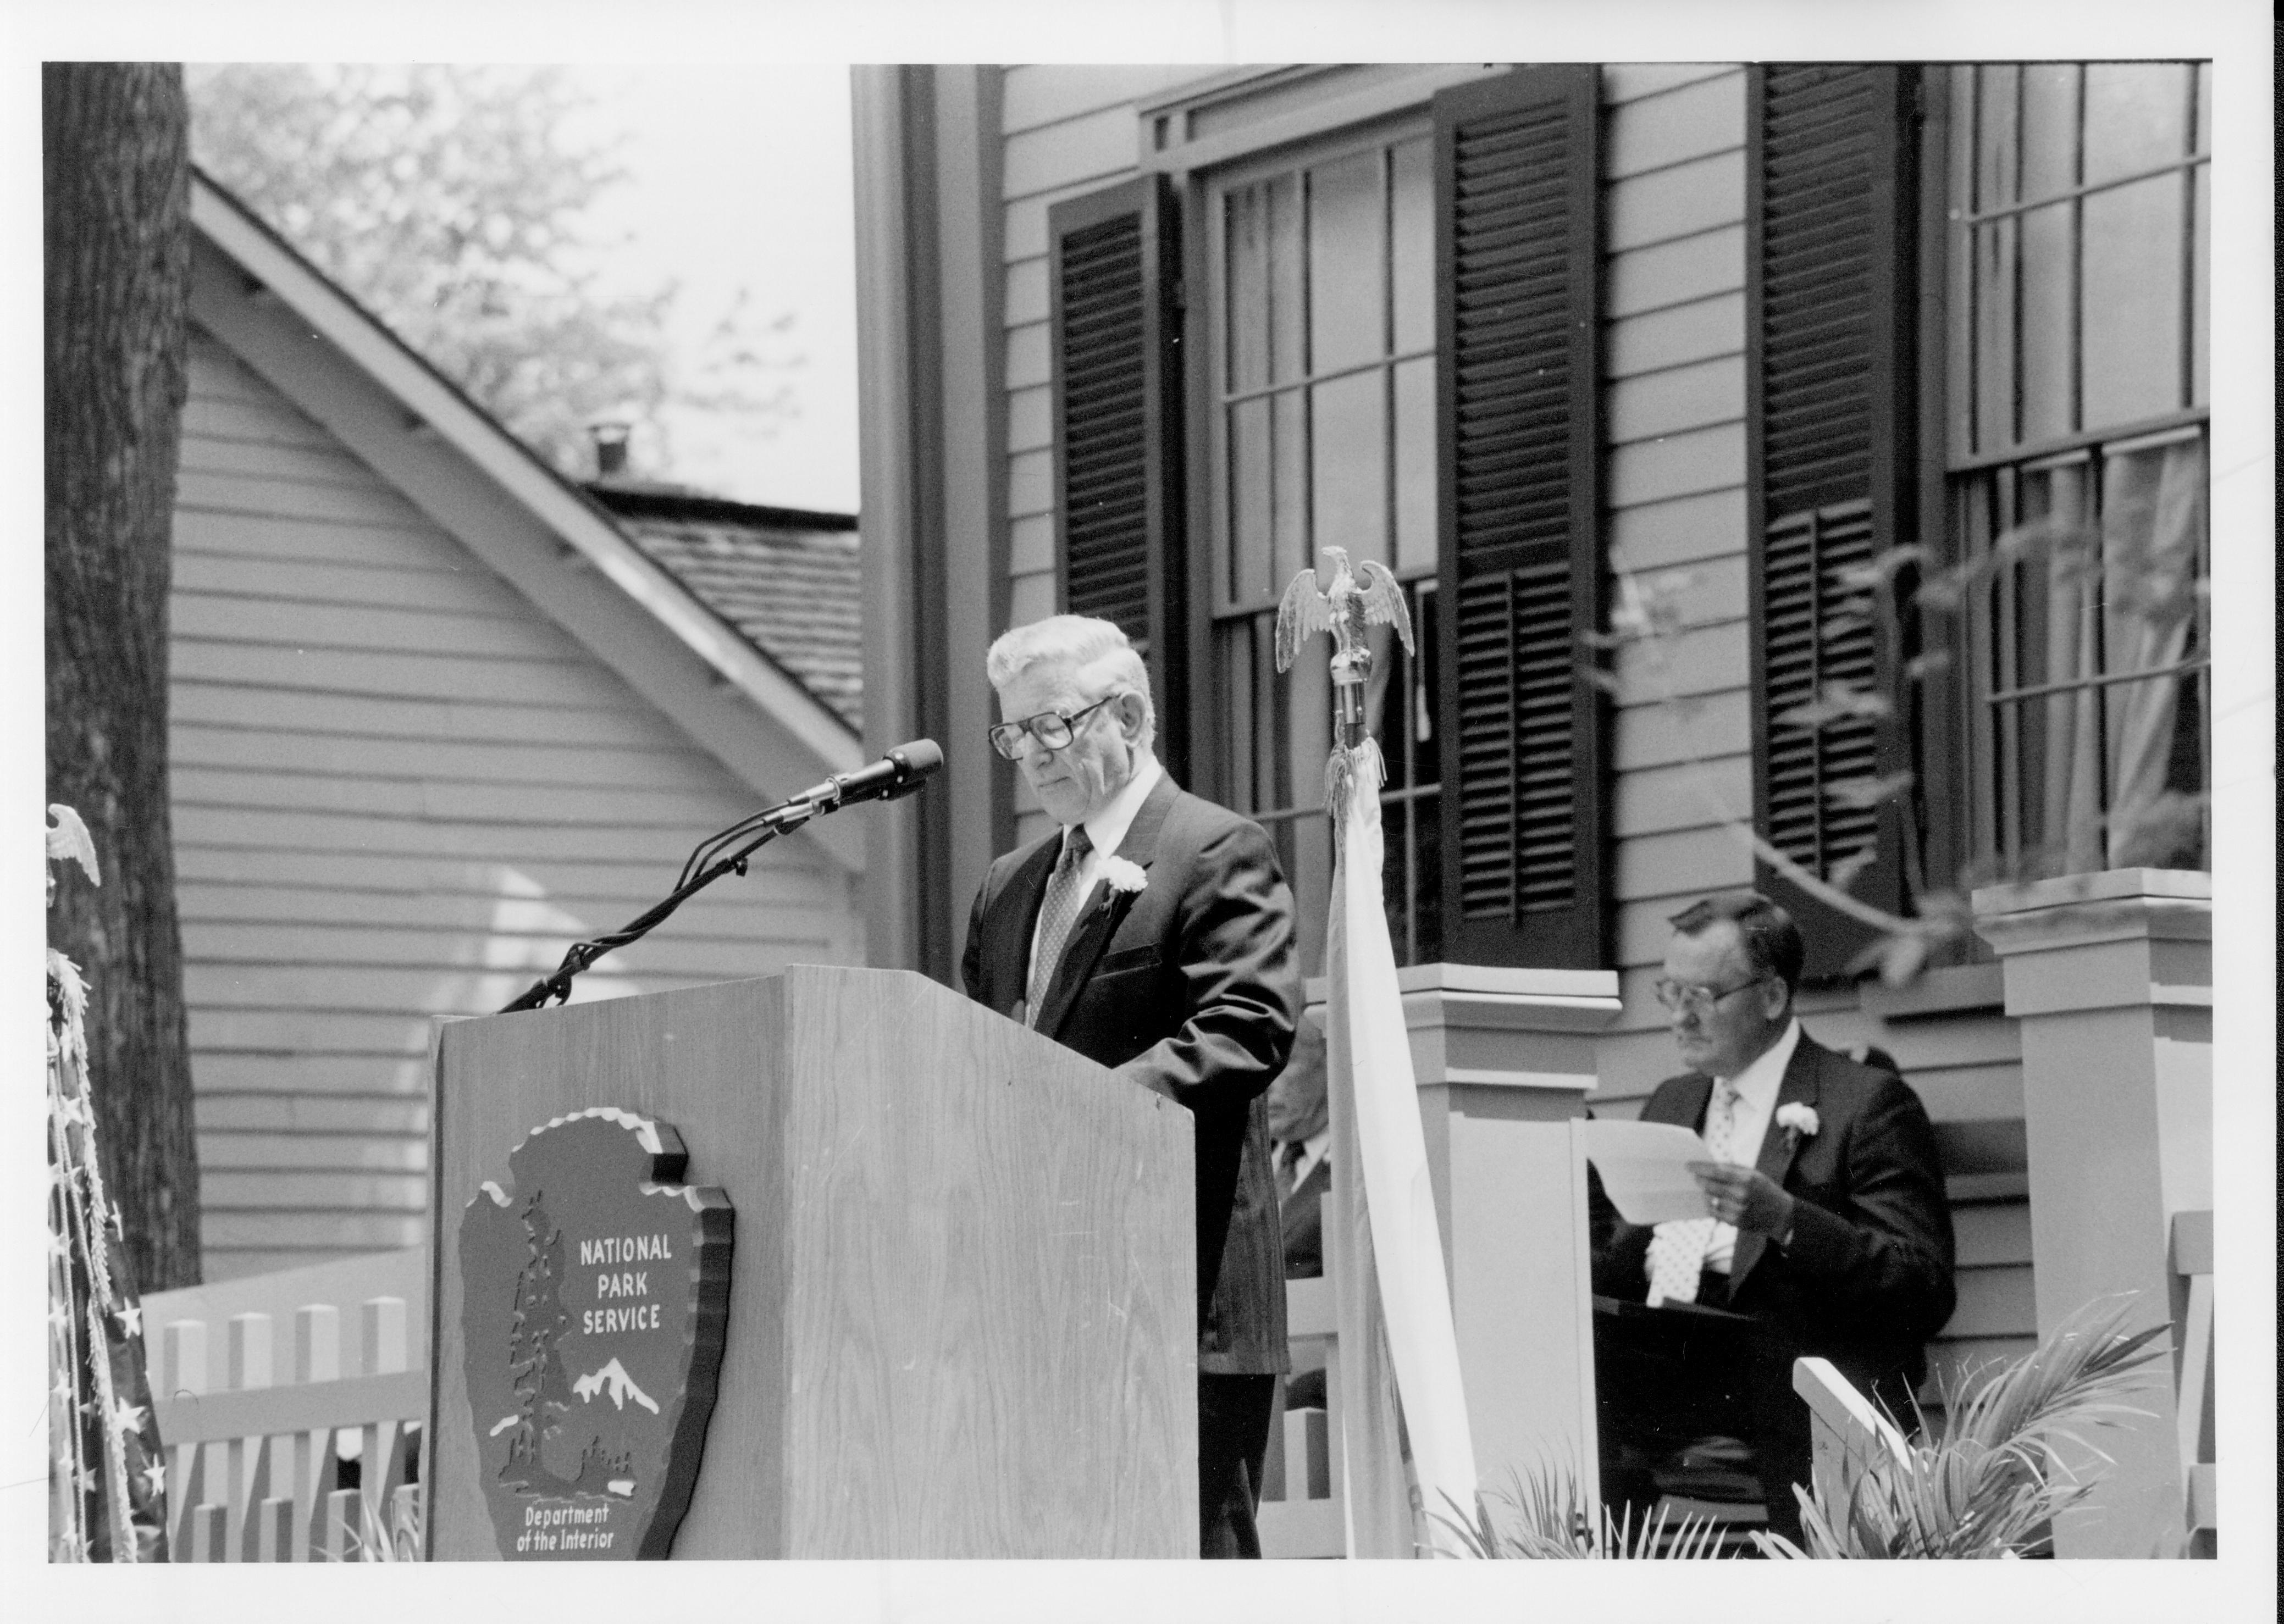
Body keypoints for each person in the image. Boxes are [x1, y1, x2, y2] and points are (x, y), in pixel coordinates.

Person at [960, 614, 1300, 1560]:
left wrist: (1079, 1113)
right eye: (1014, 734)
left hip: (1178, 1292)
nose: (1031, 755)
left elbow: (1247, 1028)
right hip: (1037, 1288)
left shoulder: (1214, 849)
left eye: (1054, 726)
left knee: (1194, 1568)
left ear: (1133, 715)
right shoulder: (1008, 886)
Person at [1589, 891, 1955, 1544]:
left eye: (1701, 997)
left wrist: (1787, 1219)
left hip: (1794, 1415)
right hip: (1664, 1408)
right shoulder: (1672, 1103)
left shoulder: (1865, 1104)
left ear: (1773, 997)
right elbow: (1622, 1262)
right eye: (1669, 992)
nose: (1679, 1017)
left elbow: (1922, 1286)